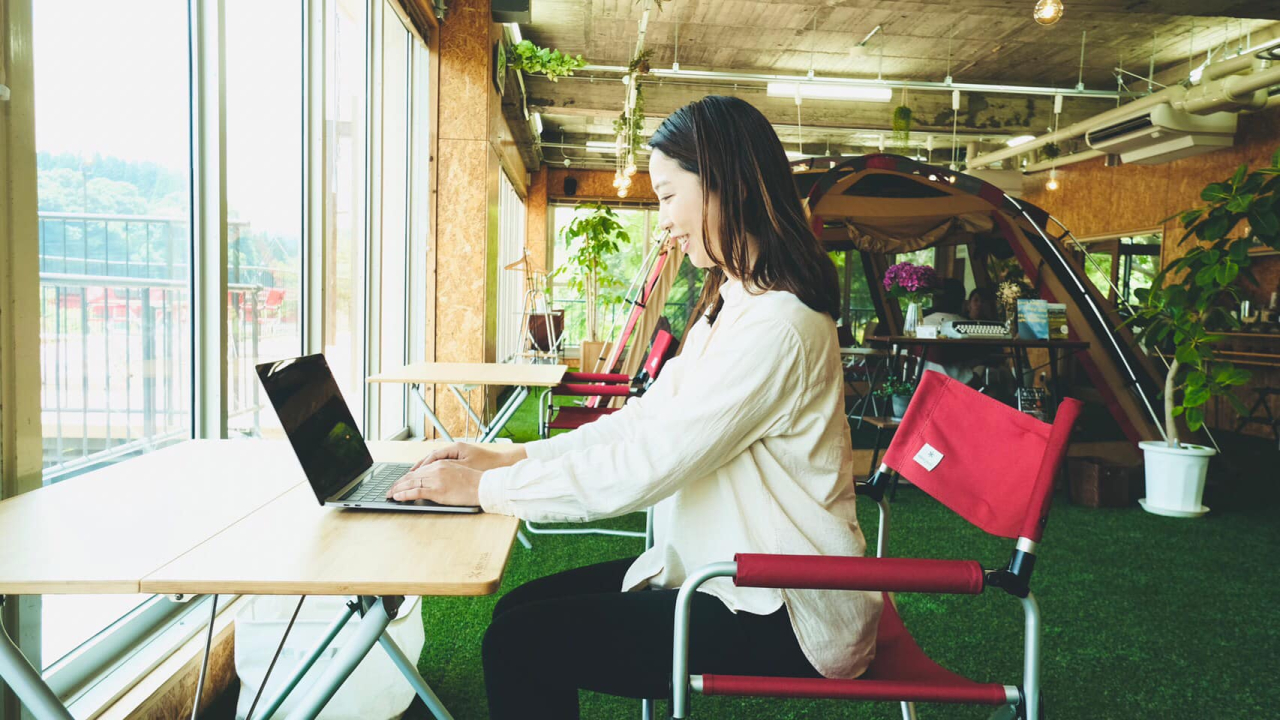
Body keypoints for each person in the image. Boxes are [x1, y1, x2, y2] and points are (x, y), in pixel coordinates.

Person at [386, 95, 881, 719]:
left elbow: (648, 464)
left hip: (787, 609)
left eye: (670, 195)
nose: (663, 218)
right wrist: (505, 454)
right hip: (724, 571)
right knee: (516, 614)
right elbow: (644, 422)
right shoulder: (734, 305)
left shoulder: (778, 327)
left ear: (725, 187)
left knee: (521, 643)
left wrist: (488, 490)